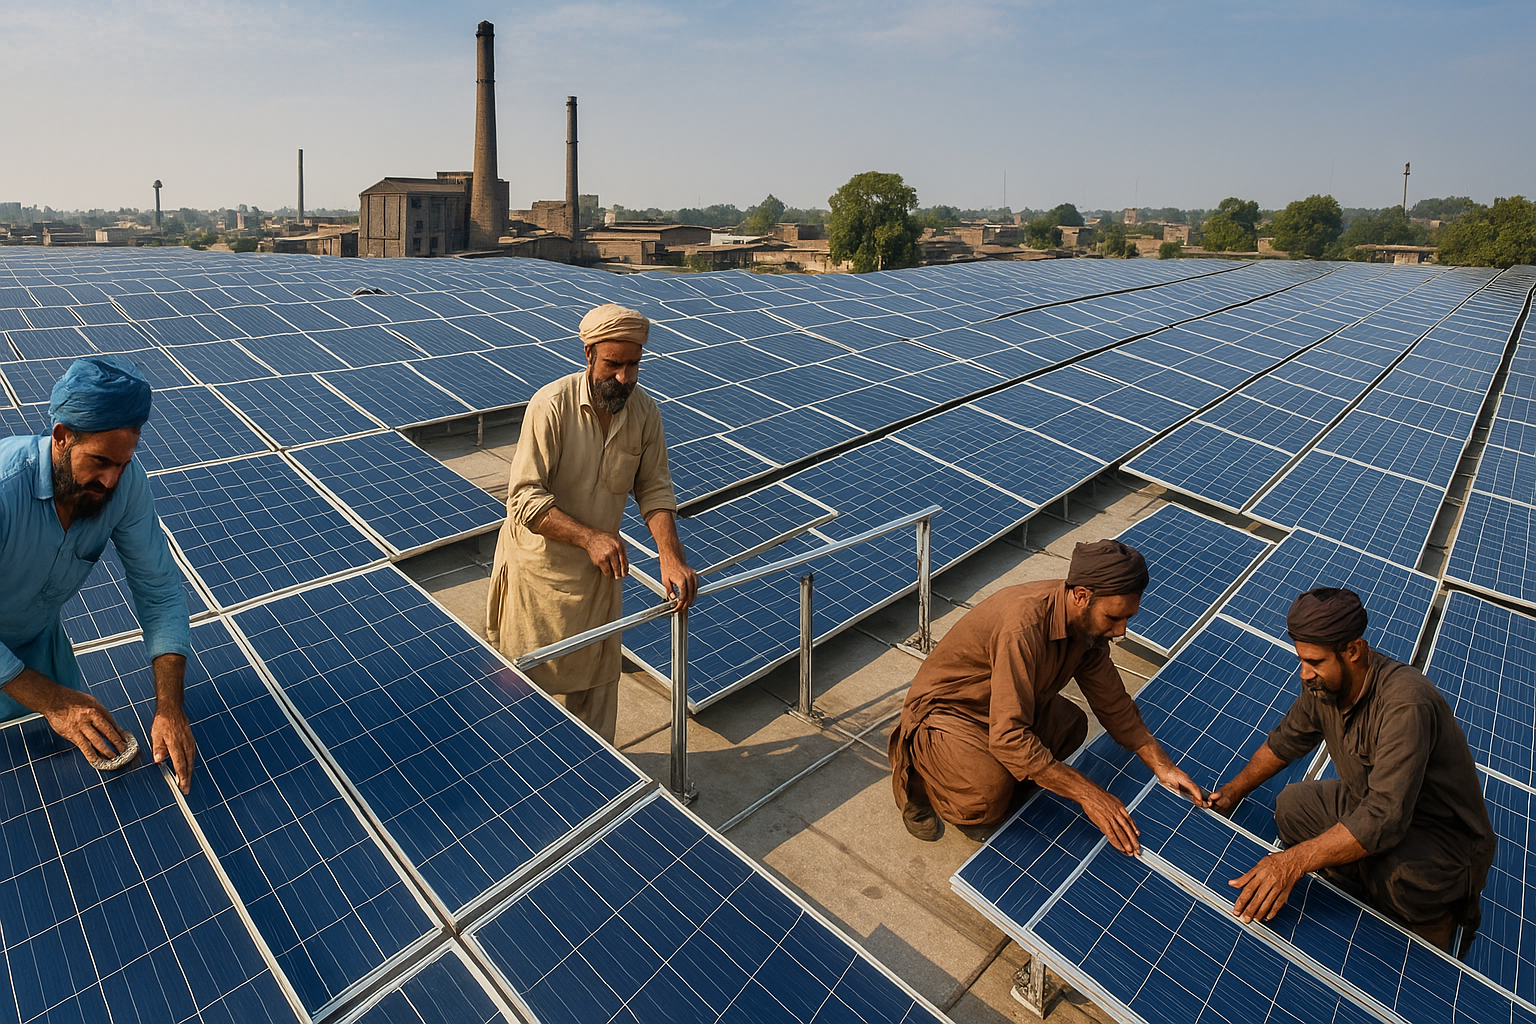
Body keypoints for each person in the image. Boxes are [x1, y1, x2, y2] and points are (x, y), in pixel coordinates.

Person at [1211, 587, 1495, 955]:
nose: (1304, 674)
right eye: (1301, 660)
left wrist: (1293, 862)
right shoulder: (1323, 688)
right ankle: (1363, 875)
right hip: (1372, 805)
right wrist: (1233, 791)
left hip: (1435, 836)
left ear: (1354, 651)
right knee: (1292, 805)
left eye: (1314, 662)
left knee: (1400, 875)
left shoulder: (1405, 703)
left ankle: (1431, 947)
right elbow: (1285, 742)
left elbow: (1385, 818)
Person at [889, 539, 1205, 847]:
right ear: (1082, 596)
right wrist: (1089, 794)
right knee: (987, 800)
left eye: (1127, 618)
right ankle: (922, 781)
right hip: (951, 713)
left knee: (1073, 726)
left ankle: (997, 773)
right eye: (1113, 617)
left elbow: (1113, 703)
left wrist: (1162, 765)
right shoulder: (1023, 625)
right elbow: (1008, 736)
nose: (1120, 630)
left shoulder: (1087, 627)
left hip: (1002, 707)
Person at [487, 303, 698, 744]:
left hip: (600, 579)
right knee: (523, 688)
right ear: (588, 355)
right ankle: (515, 776)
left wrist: (670, 556)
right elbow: (523, 497)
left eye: (633, 365)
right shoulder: (551, 406)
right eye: (613, 364)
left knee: (599, 691)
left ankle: (594, 782)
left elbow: (655, 490)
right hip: (538, 579)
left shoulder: (644, 414)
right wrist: (590, 537)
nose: (624, 377)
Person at [0, 356, 196, 792]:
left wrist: (170, 707)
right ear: (61, 437)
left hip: (37, 645)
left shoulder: (124, 485)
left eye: (123, 463)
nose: (110, 481)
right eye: (100, 461)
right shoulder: (4, 490)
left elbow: (159, 589)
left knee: (54, 776)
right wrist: (52, 701)